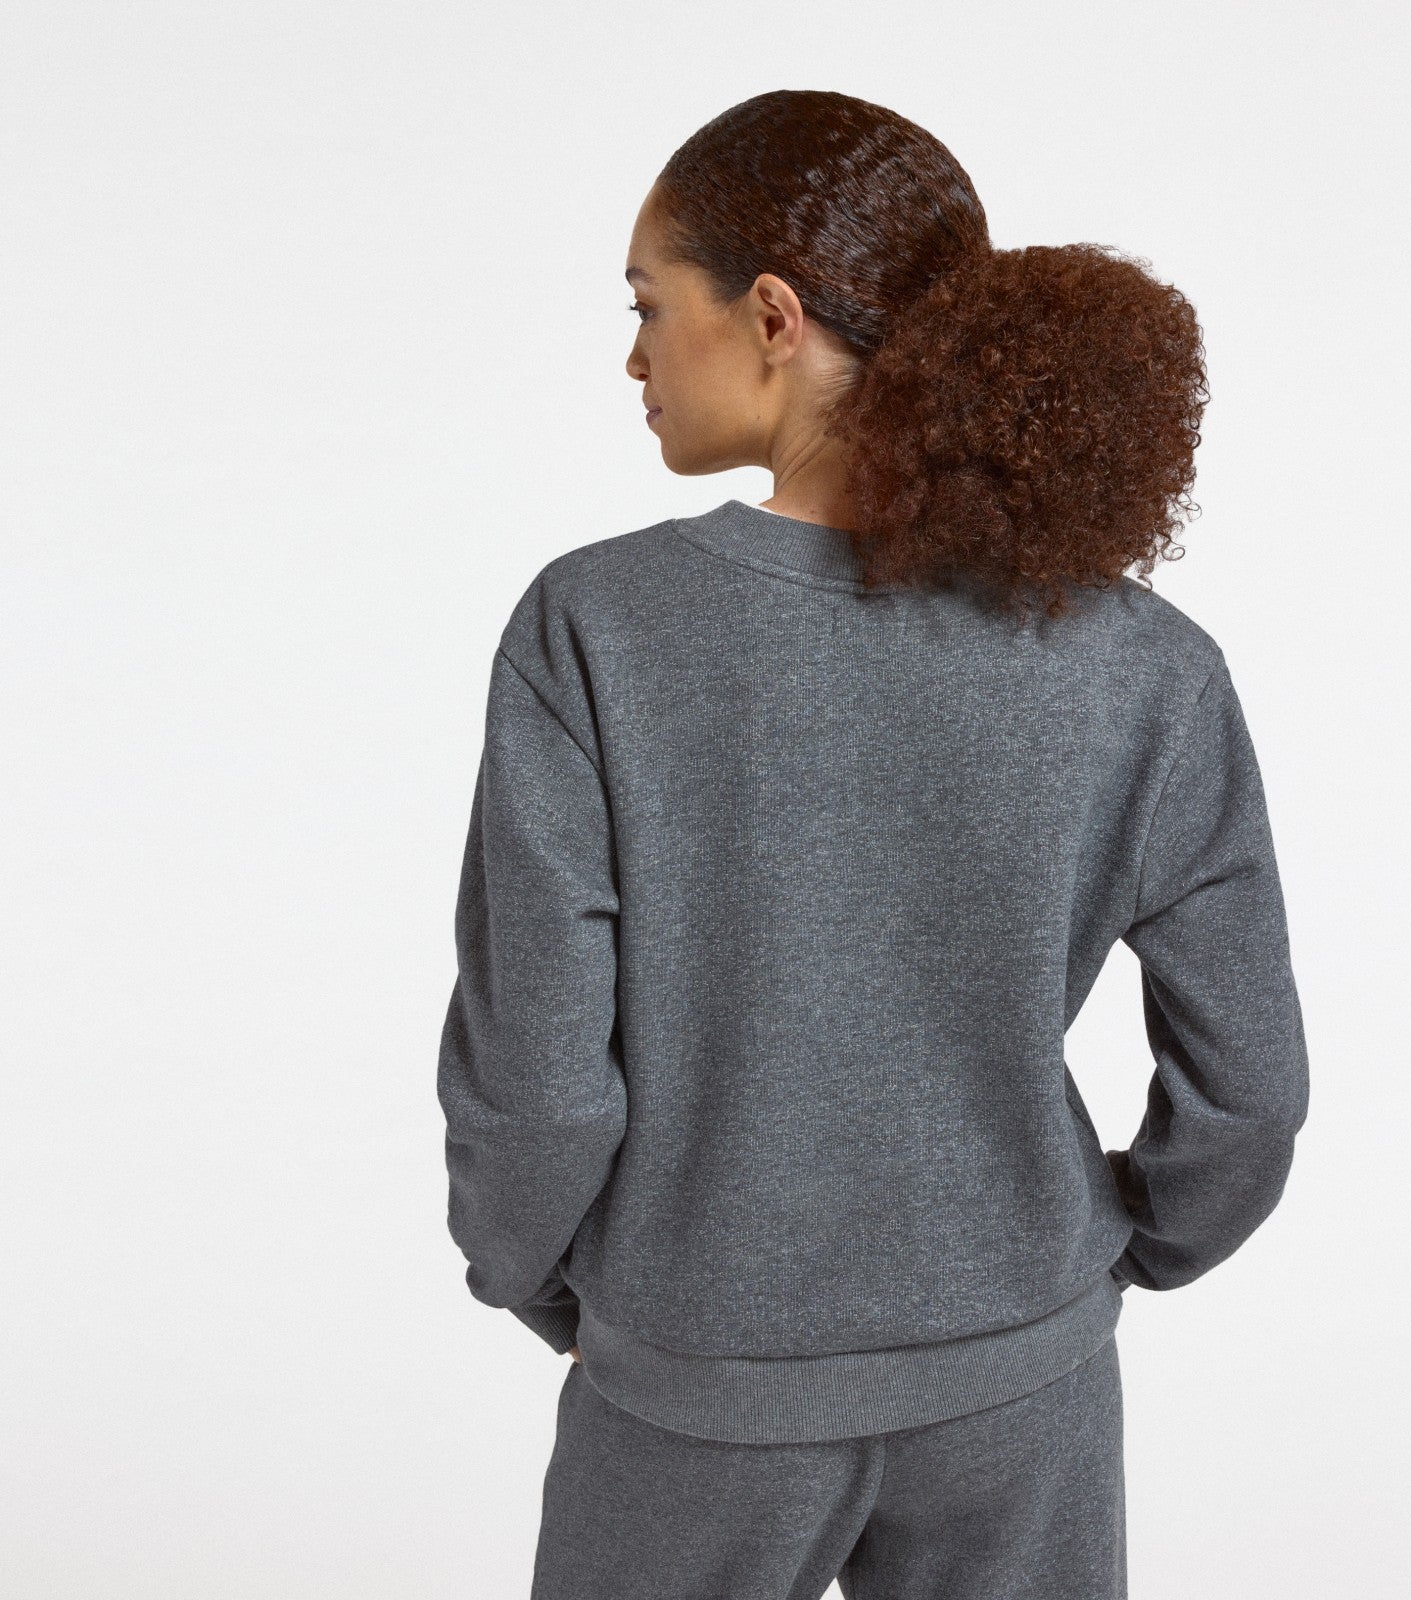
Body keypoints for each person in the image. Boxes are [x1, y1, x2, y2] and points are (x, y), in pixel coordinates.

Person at [436, 88, 1310, 1600]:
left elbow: (538, 1079)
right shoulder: (1144, 663)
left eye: (650, 306)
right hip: (1022, 1384)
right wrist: (1117, 1252)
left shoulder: (597, 629)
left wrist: (549, 1279)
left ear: (772, 316)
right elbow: (1252, 1088)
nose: (634, 356)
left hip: (695, 1387)